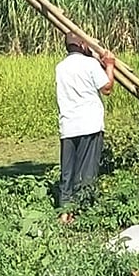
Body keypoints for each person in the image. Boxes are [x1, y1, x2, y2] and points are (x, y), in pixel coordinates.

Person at [54, 33, 115, 221]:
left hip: (69, 125)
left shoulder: (61, 67)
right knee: (87, 170)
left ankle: (65, 210)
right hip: (90, 124)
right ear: (82, 44)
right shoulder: (90, 65)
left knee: (68, 171)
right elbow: (107, 88)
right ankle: (83, 210)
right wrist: (110, 65)